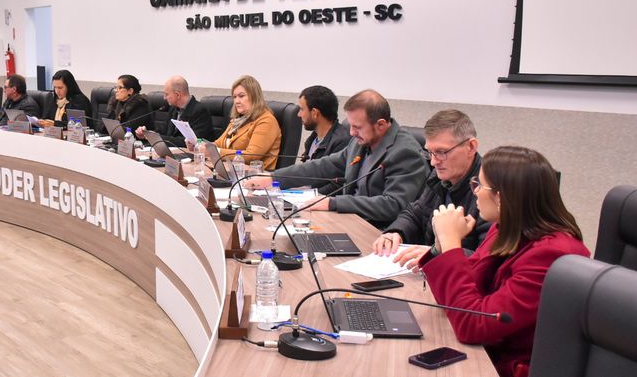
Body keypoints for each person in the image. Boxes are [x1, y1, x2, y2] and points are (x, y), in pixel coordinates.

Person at [418, 146, 589, 377]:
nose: (475, 192)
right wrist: (442, 245)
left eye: (479, 185)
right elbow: (460, 296)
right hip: (485, 354)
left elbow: (473, 324)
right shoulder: (506, 228)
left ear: (500, 197)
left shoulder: (552, 255)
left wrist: (451, 243)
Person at [252, 89, 428, 229]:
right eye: (350, 125)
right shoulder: (361, 141)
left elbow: (393, 204)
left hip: (377, 232)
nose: (351, 132)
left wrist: (334, 203)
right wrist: (274, 178)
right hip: (349, 221)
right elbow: (325, 165)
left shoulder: (405, 152)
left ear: (380, 124)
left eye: (357, 127)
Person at [373, 110, 490, 269]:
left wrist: (435, 254)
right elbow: (416, 212)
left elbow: (487, 260)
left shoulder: (489, 191)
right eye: (430, 152)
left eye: (441, 152)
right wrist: (395, 232)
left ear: (471, 147)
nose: (433, 162)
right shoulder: (440, 175)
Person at [211, 75, 281, 170]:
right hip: (231, 171)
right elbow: (219, 143)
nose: (236, 101)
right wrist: (201, 146)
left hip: (255, 175)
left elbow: (252, 155)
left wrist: (217, 152)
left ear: (254, 97)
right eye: (234, 97)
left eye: (241, 96)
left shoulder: (266, 121)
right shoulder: (238, 120)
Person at [297, 85, 352, 194]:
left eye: (302, 109)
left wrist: (306, 195)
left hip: (320, 200)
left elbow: (337, 185)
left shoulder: (342, 142)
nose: (299, 114)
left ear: (315, 113)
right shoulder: (313, 139)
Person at [135, 75, 213, 148]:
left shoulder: (200, 111)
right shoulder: (173, 108)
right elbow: (164, 131)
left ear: (177, 95)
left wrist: (156, 137)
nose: (164, 98)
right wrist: (147, 133)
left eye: (167, 94)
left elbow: (191, 142)